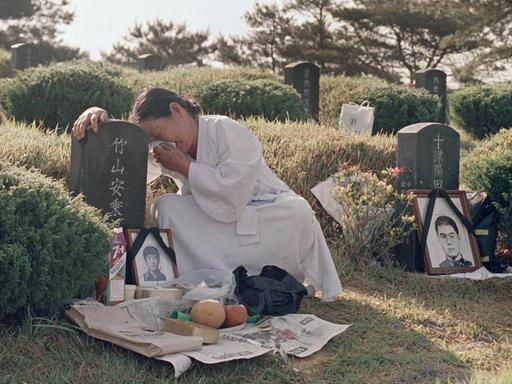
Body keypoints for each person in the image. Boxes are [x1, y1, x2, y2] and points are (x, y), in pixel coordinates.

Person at [72, 88, 342, 301]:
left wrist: (186, 167)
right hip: (210, 217)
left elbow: (233, 190)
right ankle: (199, 279)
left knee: (296, 211)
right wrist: (102, 122)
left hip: (263, 211)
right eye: (150, 140)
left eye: (157, 134)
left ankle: (267, 275)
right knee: (166, 207)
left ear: (176, 110)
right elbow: (127, 171)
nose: (156, 144)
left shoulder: (226, 130)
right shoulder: (164, 148)